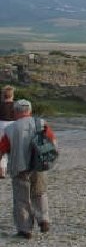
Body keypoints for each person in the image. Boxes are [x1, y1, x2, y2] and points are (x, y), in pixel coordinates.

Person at [0, 99, 56, 239]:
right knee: (40, 193)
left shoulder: (10, 129)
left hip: (19, 167)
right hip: (39, 165)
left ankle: (25, 230)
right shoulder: (41, 123)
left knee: (21, 199)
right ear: (29, 111)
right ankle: (44, 219)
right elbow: (53, 142)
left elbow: (2, 149)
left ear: (16, 112)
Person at [0, 85, 16, 178]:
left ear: (3, 95)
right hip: (13, 126)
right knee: (13, 148)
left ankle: (2, 170)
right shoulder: (16, 105)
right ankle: (14, 168)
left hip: (1, 125)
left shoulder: (0, 104)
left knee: (1, 148)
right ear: (12, 95)